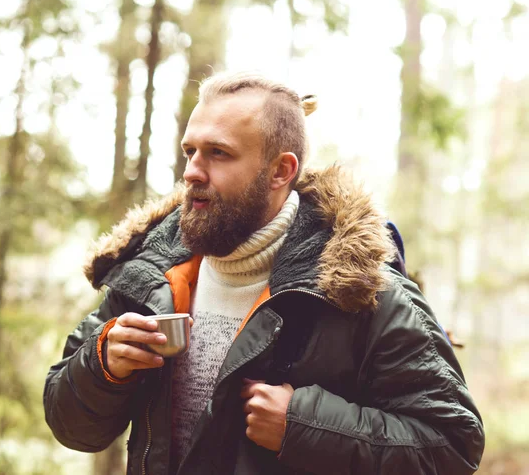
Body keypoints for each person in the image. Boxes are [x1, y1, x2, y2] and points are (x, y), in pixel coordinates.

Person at [43, 72, 485, 474]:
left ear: (280, 171)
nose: (193, 171)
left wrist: (304, 428)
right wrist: (103, 366)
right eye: (190, 151)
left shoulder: (362, 289)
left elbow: (452, 445)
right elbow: (73, 427)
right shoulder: (150, 270)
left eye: (218, 153)